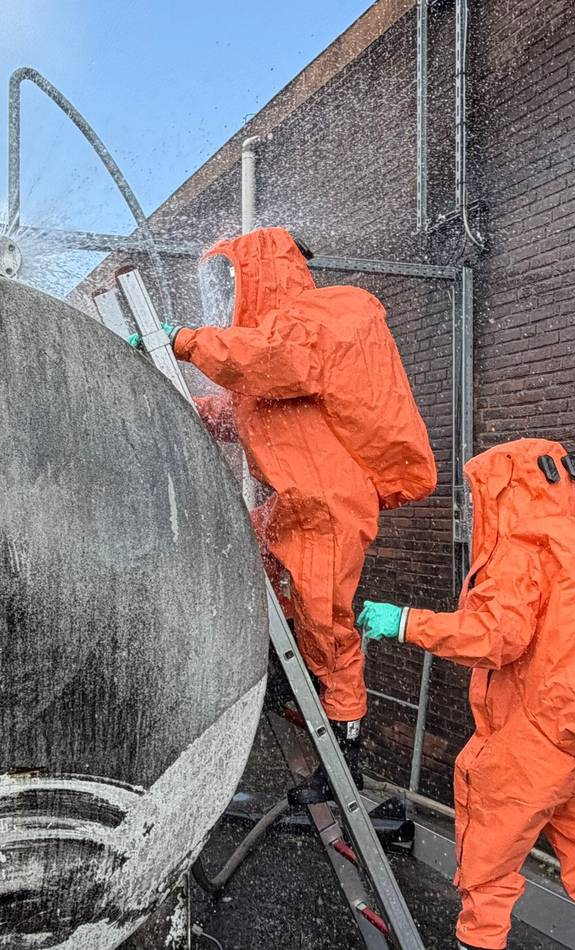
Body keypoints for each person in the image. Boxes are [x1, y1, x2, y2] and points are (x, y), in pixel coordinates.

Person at [154, 226, 437, 804]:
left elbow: (274, 361)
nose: (225, 294)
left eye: (231, 279)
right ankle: (284, 672)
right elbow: (245, 409)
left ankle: (344, 749)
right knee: (244, 554)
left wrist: (185, 341)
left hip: (328, 503)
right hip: (297, 502)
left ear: (257, 273)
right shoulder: (279, 338)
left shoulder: (323, 316)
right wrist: (175, 405)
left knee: (325, 618)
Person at [358, 438, 575, 950]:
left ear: (502, 491)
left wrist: (406, 622)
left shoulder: (524, 550)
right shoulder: (574, 540)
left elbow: (495, 636)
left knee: (487, 870)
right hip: (574, 732)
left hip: (536, 731)